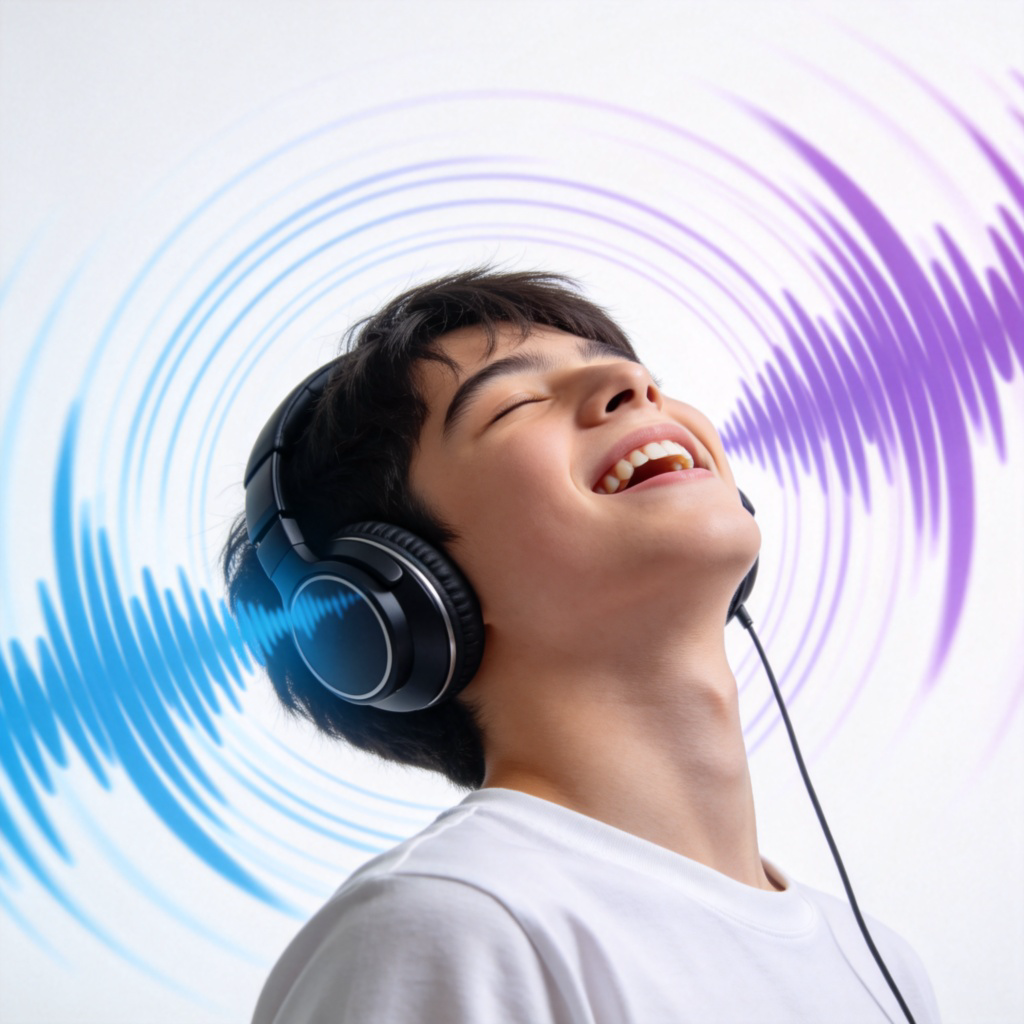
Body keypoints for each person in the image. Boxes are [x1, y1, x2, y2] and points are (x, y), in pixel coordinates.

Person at [223, 269, 941, 1023]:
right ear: (399, 601)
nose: (631, 381)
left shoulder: (877, 962)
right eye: (517, 403)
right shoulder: (454, 926)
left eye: (641, 375)